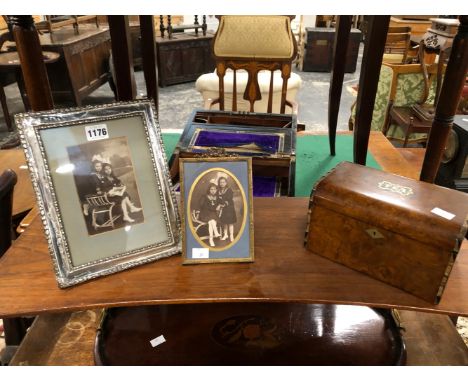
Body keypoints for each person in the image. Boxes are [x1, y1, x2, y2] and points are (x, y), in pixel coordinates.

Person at [198, 183, 222, 247]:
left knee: (212, 222)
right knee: (212, 220)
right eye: (211, 189)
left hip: (212, 215)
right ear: (209, 190)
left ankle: (211, 240)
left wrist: (219, 205)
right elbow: (202, 206)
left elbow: (222, 203)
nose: (213, 190)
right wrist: (214, 207)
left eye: (214, 189)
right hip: (204, 214)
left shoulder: (217, 198)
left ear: (216, 190)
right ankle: (216, 232)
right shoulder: (204, 196)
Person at [218, 176, 237, 242]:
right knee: (224, 222)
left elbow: (229, 199)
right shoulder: (219, 190)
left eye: (223, 182)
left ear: (226, 183)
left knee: (230, 222)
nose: (222, 183)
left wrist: (222, 201)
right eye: (220, 182)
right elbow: (218, 199)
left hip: (229, 208)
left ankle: (231, 235)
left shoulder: (229, 190)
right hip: (223, 208)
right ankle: (225, 235)